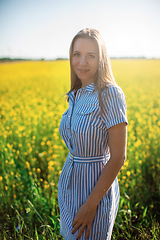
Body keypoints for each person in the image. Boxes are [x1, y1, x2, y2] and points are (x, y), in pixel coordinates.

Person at [58, 28, 128, 240]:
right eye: (77, 54)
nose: (82, 62)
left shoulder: (110, 94)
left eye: (91, 56)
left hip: (94, 194)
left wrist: (91, 205)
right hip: (69, 189)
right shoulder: (75, 95)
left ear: (101, 58)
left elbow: (118, 157)